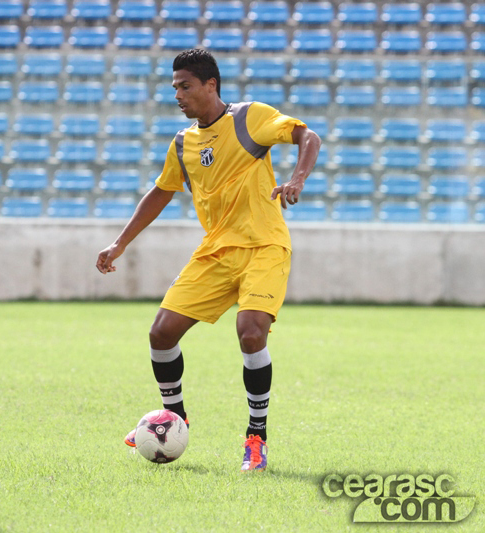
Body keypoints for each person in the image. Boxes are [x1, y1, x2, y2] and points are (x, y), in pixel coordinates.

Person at [96, 49, 320, 472]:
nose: (177, 94)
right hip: (216, 250)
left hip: (264, 246)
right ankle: (174, 419)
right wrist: (120, 242)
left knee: (251, 332)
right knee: (161, 334)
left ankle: (256, 438)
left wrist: (297, 178)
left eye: (185, 86)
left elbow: (309, 137)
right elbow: (162, 191)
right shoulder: (183, 142)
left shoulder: (249, 118)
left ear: (210, 85)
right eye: (174, 87)